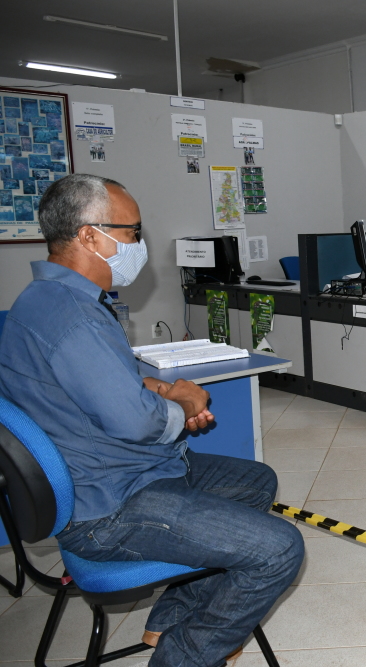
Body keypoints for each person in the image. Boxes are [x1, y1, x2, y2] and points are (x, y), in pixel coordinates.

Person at [0, 174, 303, 667]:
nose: (139, 244)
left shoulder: (44, 301)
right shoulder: (76, 319)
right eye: (132, 232)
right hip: (108, 506)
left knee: (255, 482)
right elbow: (138, 423)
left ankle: (170, 617)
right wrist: (183, 405)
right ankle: (182, 657)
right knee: (280, 549)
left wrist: (158, 389)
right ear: (89, 236)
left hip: (109, 471)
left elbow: (88, 386)